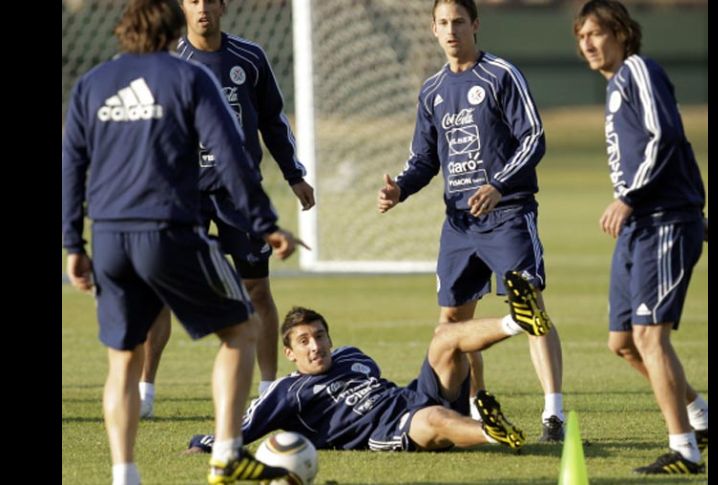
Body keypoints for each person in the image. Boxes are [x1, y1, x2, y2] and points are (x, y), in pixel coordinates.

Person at [61, 1, 303, 483]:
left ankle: (124, 475)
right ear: (173, 27)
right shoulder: (189, 77)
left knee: (122, 360)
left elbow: (71, 164)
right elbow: (231, 155)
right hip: (167, 229)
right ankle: (227, 457)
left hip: (108, 237)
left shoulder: (93, 84)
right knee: (241, 330)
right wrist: (264, 220)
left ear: (123, 29)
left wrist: (72, 244)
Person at [377, 0, 564, 441]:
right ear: (433, 29)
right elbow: (424, 159)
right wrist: (400, 189)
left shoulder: (500, 75)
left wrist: (498, 184)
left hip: (508, 214)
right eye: (443, 23)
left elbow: (533, 137)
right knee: (452, 323)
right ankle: (478, 406)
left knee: (530, 306)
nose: (451, 30)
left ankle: (553, 414)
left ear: (475, 25)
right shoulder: (432, 90)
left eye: (459, 21)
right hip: (460, 225)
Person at [137, 0, 316, 419]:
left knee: (257, 289)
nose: (202, 8)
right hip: (184, 196)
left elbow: (272, 120)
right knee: (162, 290)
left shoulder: (249, 58)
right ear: (183, 8)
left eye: (209, 0)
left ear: (223, 7)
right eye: (193, 1)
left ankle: (269, 389)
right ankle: (144, 390)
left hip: (239, 194)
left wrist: (294, 174)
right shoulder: (168, 60)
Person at [187, 272, 550, 454]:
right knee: (434, 418)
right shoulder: (288, 392)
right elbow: (243, 428)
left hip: (411, 396)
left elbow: (374, 380)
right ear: (290, 354)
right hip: (390, 428)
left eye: (320, 336)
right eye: (304, 341)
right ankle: (490, 431)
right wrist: (203, 443)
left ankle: (518, 321)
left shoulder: (352, 357)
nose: (316, 346)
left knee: (445, 335)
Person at [573, 0, 708, 475]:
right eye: (581, 37)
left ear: (621, 33)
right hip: (638, 228)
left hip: (663, 221)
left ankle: (684, 450)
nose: (588, 44)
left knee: (650, 336)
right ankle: (700, 416)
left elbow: (664, 135)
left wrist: (628, 197)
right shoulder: (615, 87)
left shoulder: (638, 71)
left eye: (596, 33)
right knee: (623, 342)